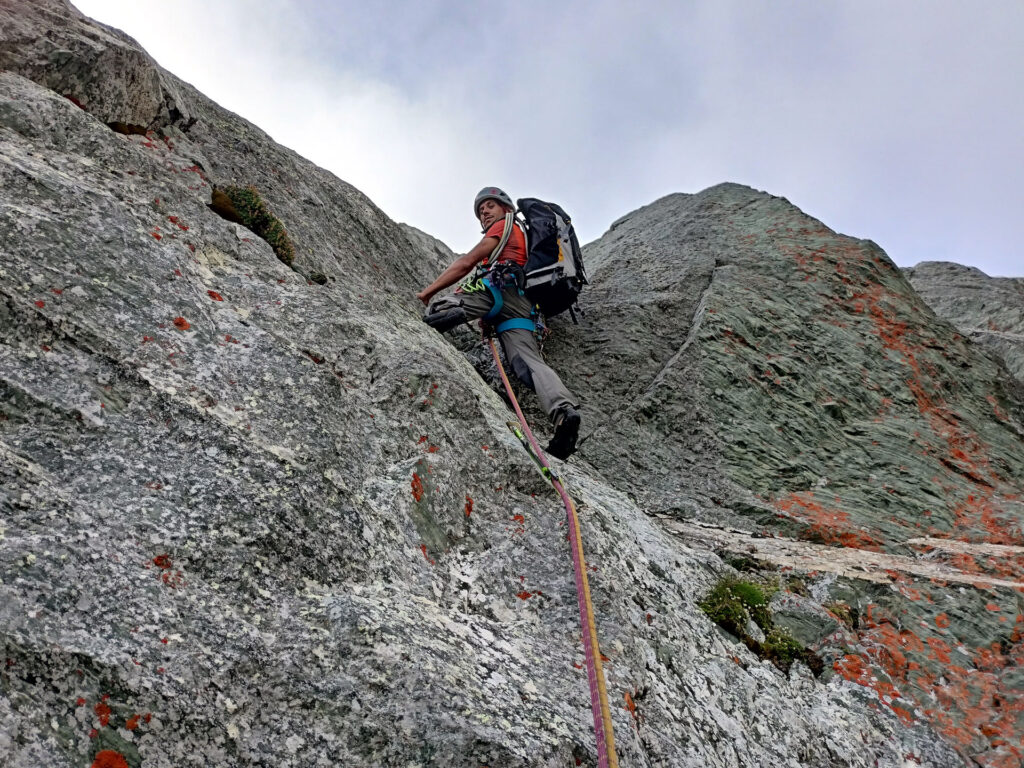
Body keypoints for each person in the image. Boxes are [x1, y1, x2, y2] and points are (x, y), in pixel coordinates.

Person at [417, 187, 581, 459]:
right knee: (528, 362)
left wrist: (426, 294)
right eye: (481, 212)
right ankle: (564, 412)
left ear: (506, 209)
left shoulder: (505, 226)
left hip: (495, 289)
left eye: (490, 206)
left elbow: (467, 262)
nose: (484, 213)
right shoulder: (525, 238)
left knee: (440, 308)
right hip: (523, 306)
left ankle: (458, 309)